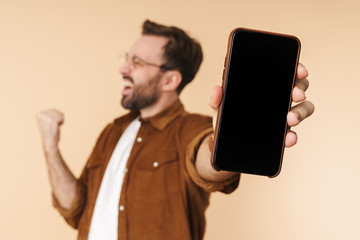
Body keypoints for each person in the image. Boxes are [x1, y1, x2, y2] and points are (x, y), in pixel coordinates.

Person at [36, 20, 315, 240]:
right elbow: (75, 209)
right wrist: (50, 144)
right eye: (127, 58)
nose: (123, 68)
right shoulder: (113, 132)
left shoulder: (191, 128)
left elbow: (207, 167)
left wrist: (226, 136)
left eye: (137, 62)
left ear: (170, 79)